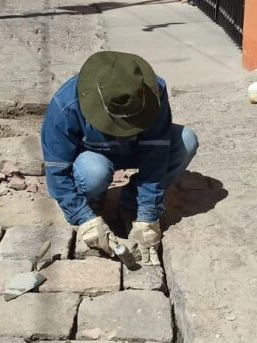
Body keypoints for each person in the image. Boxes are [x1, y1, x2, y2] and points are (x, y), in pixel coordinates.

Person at [41, 51, 198, 266]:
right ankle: (92, 201)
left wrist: (147, 215)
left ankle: (130, 202)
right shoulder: (65, 104)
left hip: (135, 150)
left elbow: (156, 154)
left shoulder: (153, 92)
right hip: (94, 157)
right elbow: (57, 170)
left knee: (186, 140)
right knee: (94, 173)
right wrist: (82, 217)